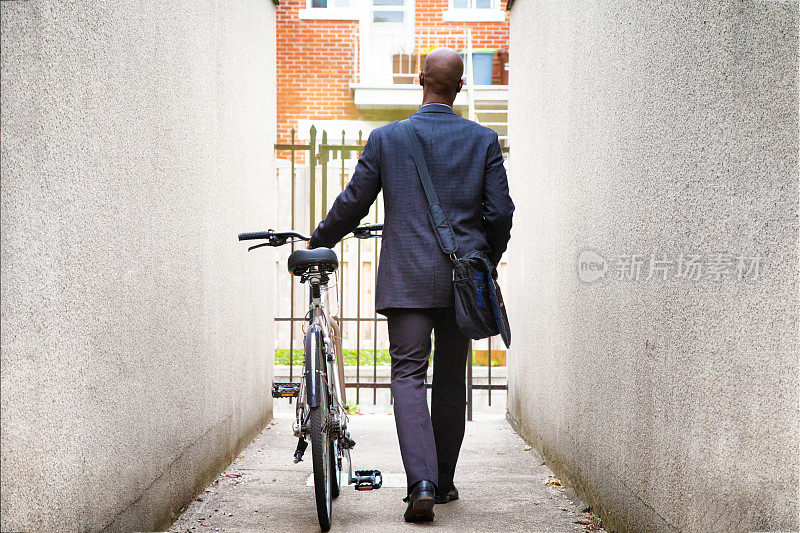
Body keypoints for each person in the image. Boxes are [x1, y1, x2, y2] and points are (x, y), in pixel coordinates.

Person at [308, 47, 514, 523]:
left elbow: (353, 203)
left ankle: (419, 482)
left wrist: (320, 238)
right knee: (448, 380)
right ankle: (442, 484)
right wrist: (484, 260)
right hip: (463, 283)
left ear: (420, 80)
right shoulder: (482, 139)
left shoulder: (388, 139)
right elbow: (500, 213)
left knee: (407, 376)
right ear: (459, 87)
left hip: (407, 281)